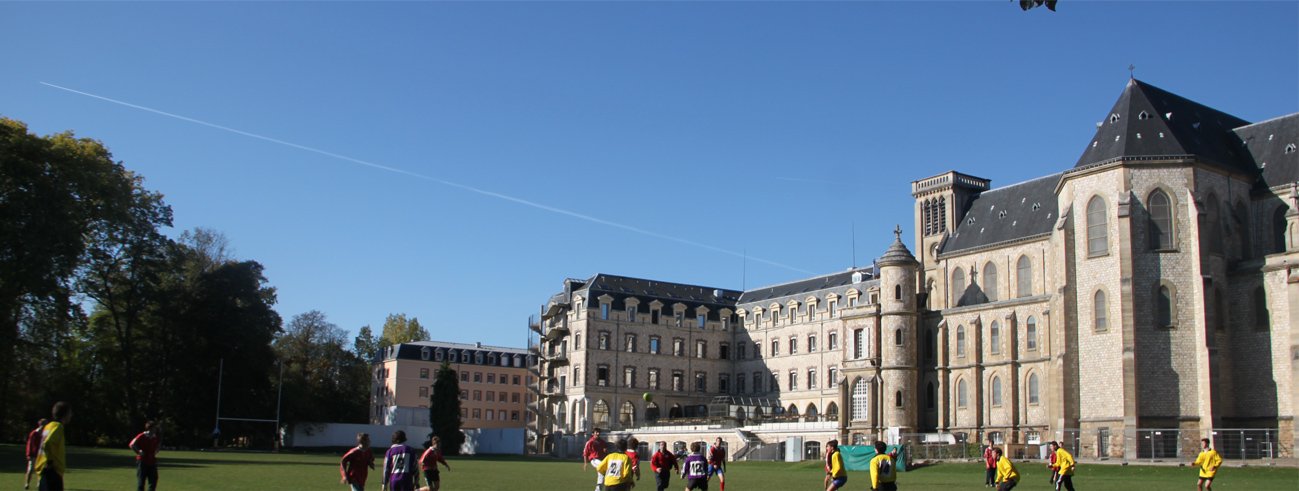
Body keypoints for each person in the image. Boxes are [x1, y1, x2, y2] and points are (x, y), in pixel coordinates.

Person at [34, 402, 72, 491]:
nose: (71, 416)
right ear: (65, 415)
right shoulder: (58, 426)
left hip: (43, 467)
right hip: (52, 470)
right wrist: (50, 461)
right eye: (70, 413)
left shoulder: (48, 426)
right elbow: (48, 442)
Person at [129, 421, 161, 491]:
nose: (155, 429)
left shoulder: (156, 437)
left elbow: (158, 445)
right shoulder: (142, 436)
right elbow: (132, 444)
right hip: (142, 460)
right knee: (141, 480)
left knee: (154, 479)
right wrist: (138, 452)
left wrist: (156, 450)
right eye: (154, 428)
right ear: (149, 428)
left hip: (152, 460)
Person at [24, 418, 47, 490]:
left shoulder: (45, 433)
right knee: (30, 470)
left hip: (41, 455)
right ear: (40, 424)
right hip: (33, 455)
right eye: (44, 424)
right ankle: (27, 484)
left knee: (41, 470)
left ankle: (39, 484)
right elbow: (30, 444)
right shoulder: (34, 433)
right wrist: (28, 454)